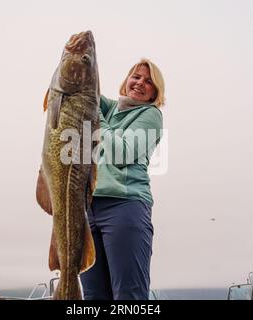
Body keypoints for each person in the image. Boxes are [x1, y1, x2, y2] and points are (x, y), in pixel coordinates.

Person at [80, 58, 165, 300]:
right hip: (89, 209)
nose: (140, 83)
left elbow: (121, 153)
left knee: (128, 295)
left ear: (154, 93)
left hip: (124, 206)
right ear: (126, 80)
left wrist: (98, 117)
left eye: (148, 81)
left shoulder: (150, 115)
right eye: (136, 76)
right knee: (94, 296)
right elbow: (85, 93)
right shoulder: (111, 107)